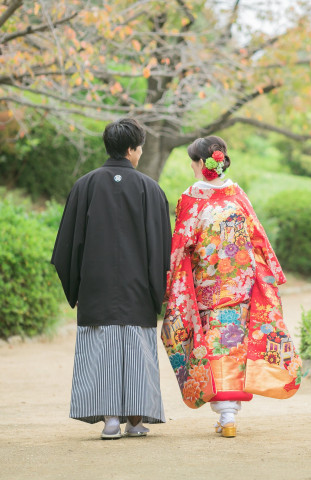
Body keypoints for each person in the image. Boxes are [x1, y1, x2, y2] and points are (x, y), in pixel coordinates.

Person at [162, 136, 301, 438]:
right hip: (241, 285)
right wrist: (272, 272)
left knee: (212, 346)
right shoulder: (237, 194)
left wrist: (170, 278)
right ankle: (230, 414)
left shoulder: (191, 198)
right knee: (235, 344)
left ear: (202, 164)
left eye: (193, 160)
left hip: (206, 287)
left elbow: (180, 243)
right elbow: (258, 236)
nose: (191, 165)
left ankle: (225, 414)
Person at [51, 118, 171, 440]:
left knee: (101, 348)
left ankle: (110, 422)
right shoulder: (150, 189)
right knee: (135, 349)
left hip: (96, 288)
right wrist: (158, 290)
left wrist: (77, 287)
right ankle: (135, 422)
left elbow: (65, 247)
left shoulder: (85, 185)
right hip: (138, 289)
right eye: (140, 146)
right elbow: (161, 248)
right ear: (132, 149)